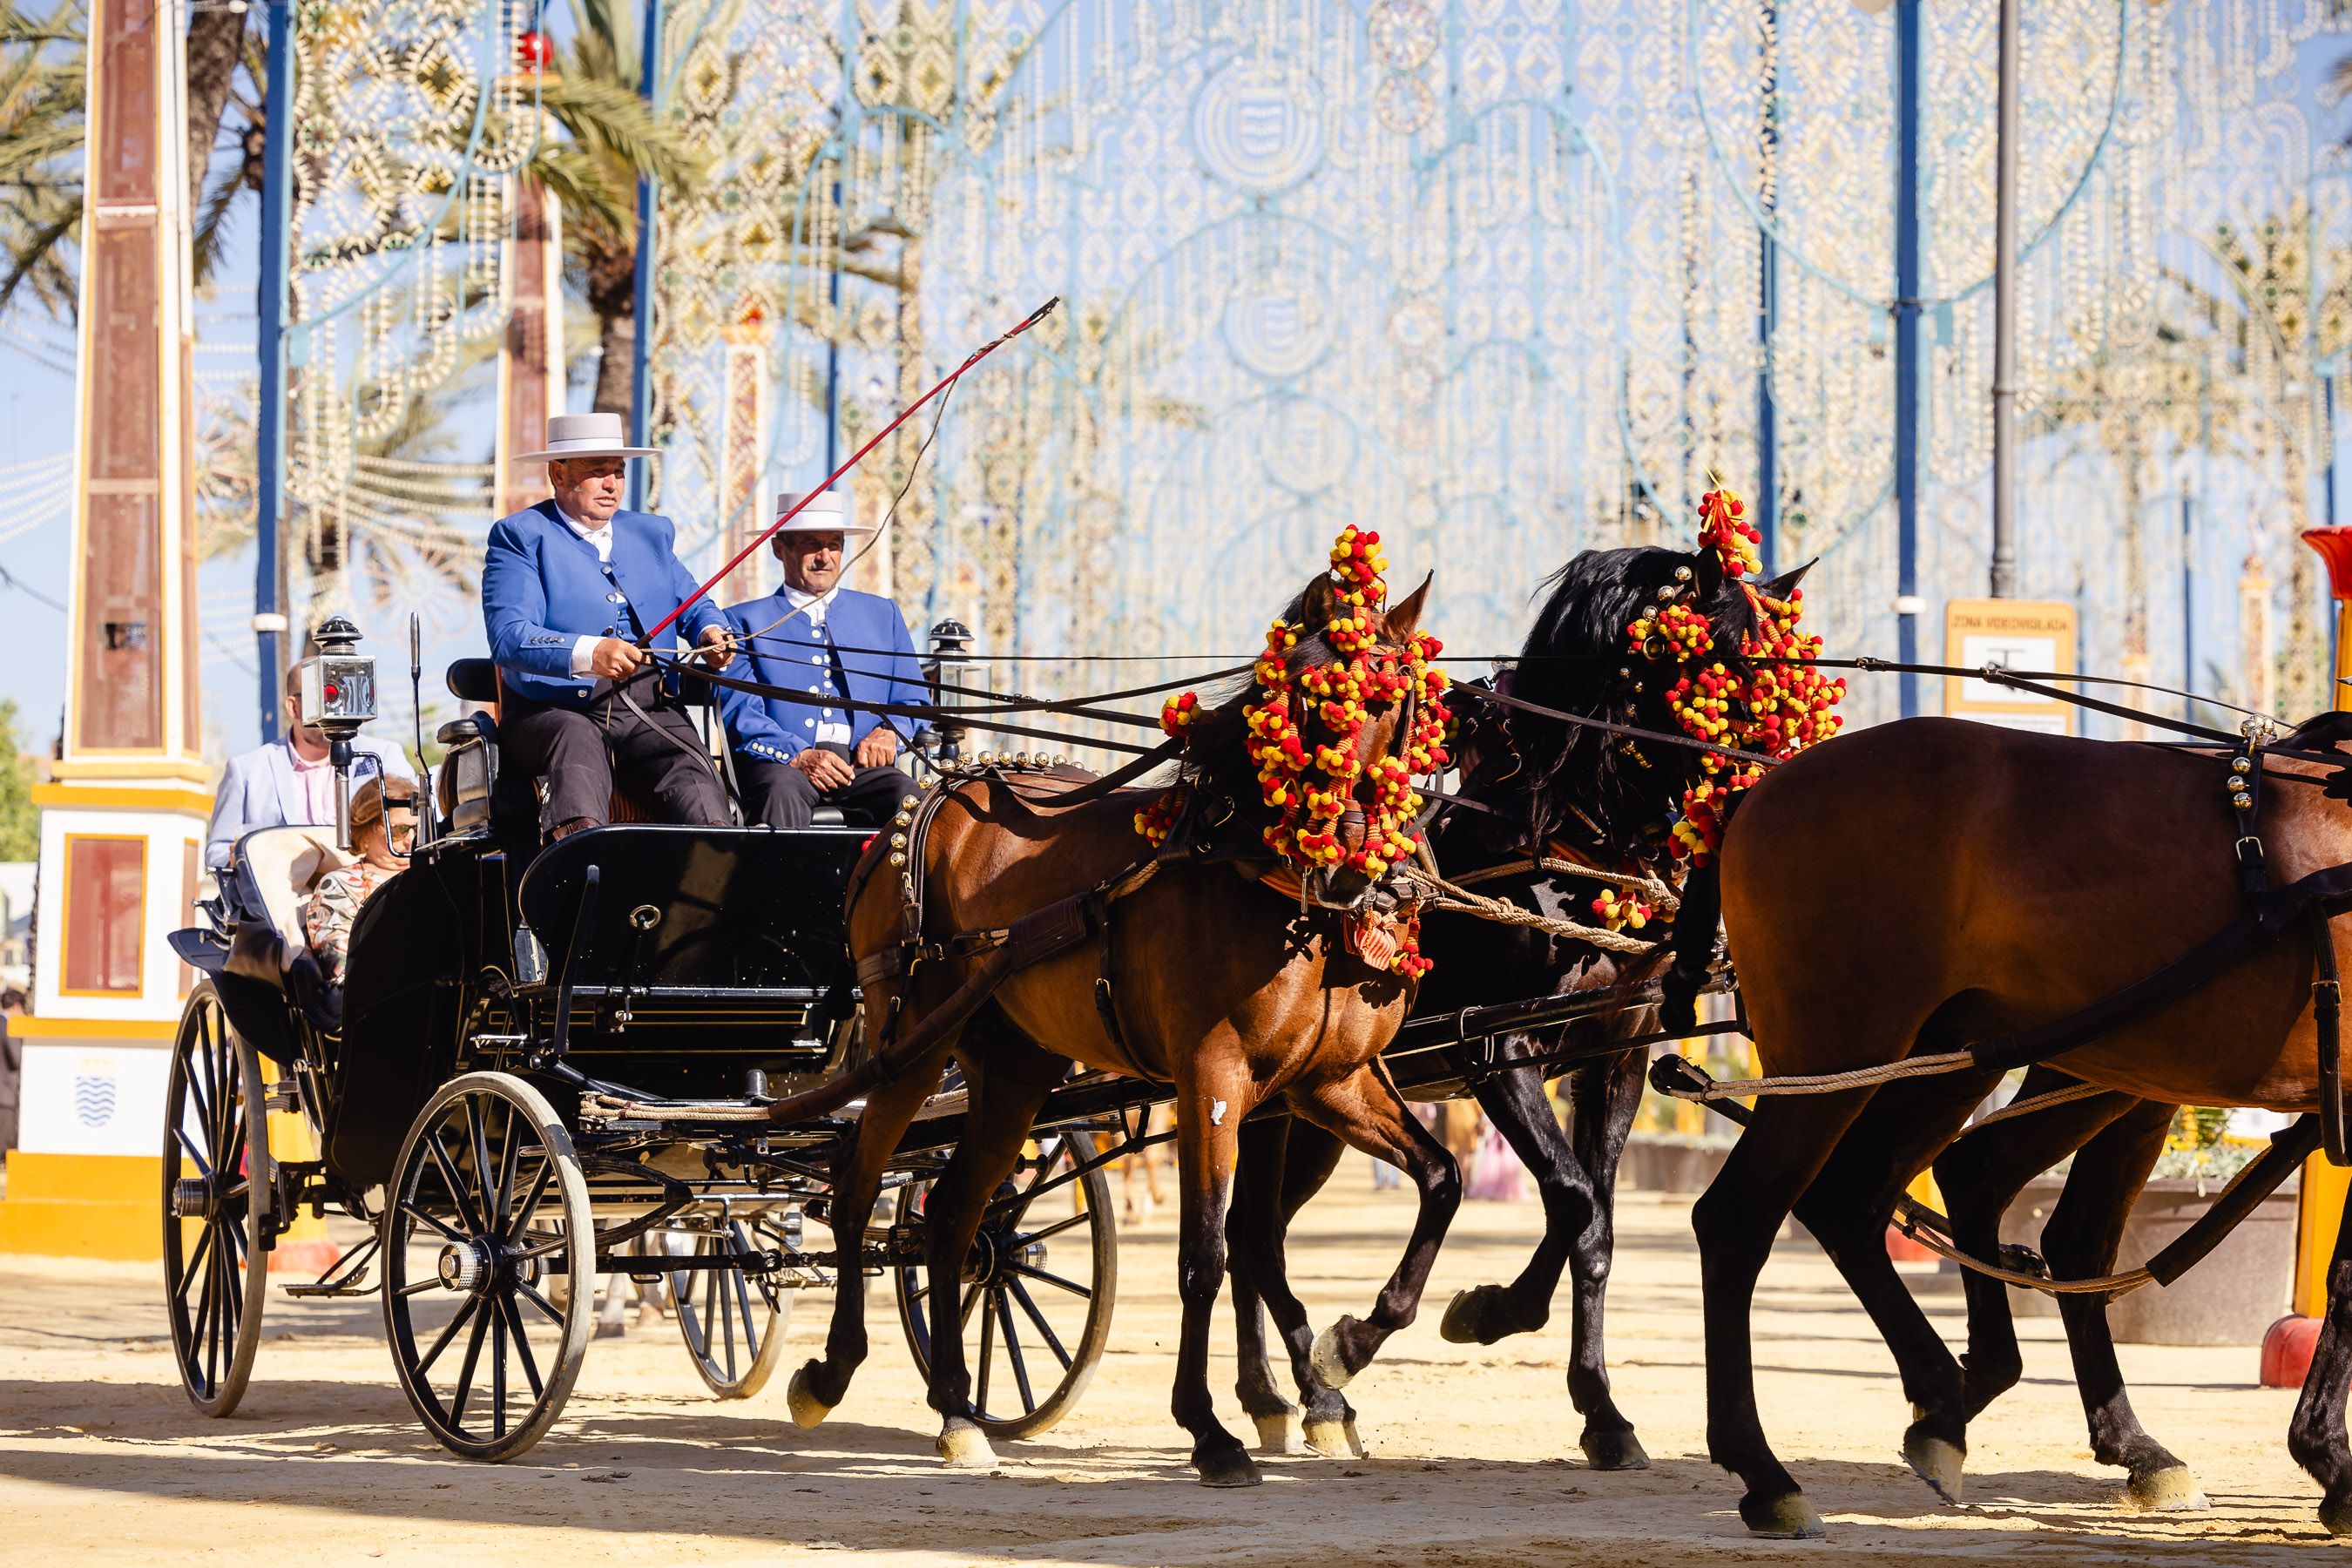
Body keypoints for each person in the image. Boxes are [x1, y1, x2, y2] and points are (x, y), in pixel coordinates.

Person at [482, 411, 738, 837]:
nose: (612, 484)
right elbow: (510, 637)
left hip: (650, 702)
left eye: (617, 472)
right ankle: (578, 868)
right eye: (597, 472)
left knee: (697, 785)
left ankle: (714, 874)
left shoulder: (651, 533)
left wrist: (711, 631)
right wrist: (591, 653)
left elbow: (693, 603)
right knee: (576, 747)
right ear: (557, 474)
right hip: (555, 707)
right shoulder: (520, 536)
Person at [720, 490, 929, 829]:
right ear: (779, 548)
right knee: (780, 792)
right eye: (810, 544)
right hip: (785, 768)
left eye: (834, 544)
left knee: (911, 799)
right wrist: (798, 756)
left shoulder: (882, 614)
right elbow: (742, 715)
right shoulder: (743, 622)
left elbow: (913, 700)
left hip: (863, 769)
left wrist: (890, 733)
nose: (825, 557)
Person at [206, 662, 417, 870]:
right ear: (294, 707)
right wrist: (242, 856)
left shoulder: (383, 756)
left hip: (366, 891)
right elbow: (217, 852)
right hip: (280, 896)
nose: (331, 710)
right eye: (321, 699)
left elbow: (417, 825)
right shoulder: (247, 770)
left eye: (336, 696)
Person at [301, 778, 417, 985]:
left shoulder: (433, 876)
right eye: (399, 831)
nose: (411, 839)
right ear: (365, 833)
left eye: (417, 829)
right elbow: (343, 969)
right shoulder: (340, 886)